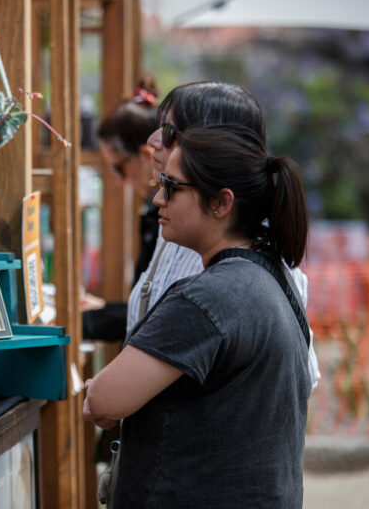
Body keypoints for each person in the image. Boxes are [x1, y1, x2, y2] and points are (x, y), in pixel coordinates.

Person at [84, 123, 311, 507]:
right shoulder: (270, 277)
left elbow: (104, 401)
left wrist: (100, 391)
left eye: (172, 187)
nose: (158, 198)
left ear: (222, 203)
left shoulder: (209, 297)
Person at [134, 81, 319, 390]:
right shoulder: (177, 226)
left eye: (168, 132)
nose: (152, 141)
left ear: (210, 144)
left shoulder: (244, 258)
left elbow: (300, 378)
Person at [81, 78, 161, 342]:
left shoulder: (164, 217)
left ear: (147, 155)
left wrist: (89, 320)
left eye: (119, 168)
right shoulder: (154, 211)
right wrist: (105, 310)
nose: (118, 180)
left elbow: (157, 315)